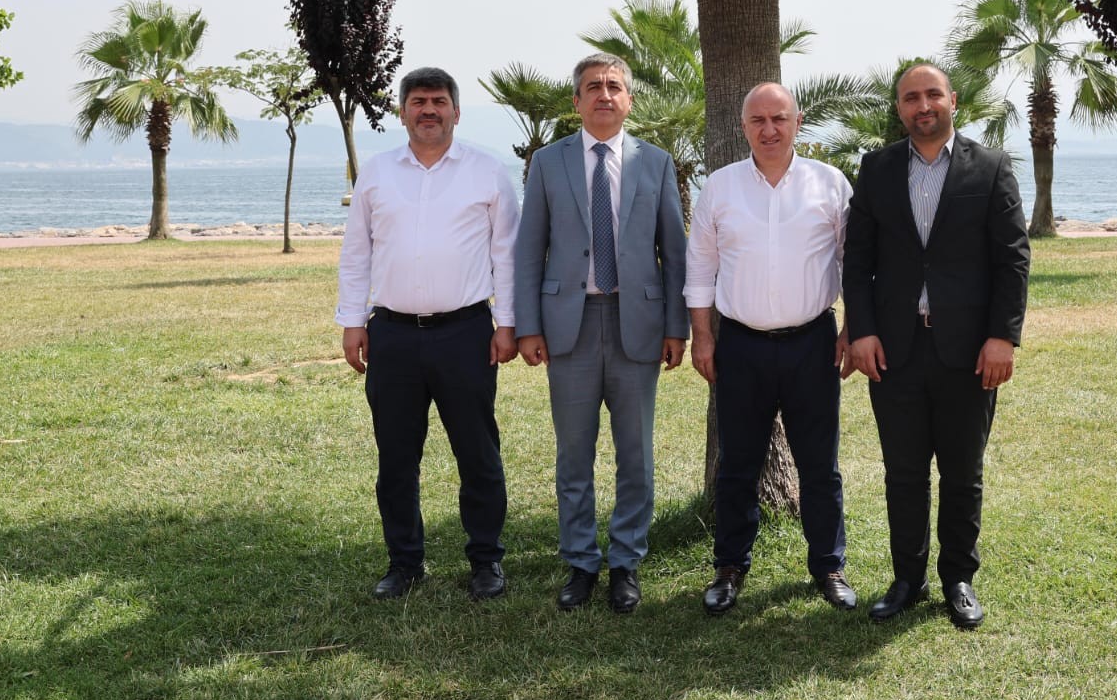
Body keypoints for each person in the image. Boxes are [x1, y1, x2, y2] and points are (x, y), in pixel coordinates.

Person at [842, 62, 1030, 629]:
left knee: (962, 471)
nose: (922, 106)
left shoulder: (991, 167)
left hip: (969, 351)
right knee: (902, 472)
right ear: (899, 108)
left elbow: (1013, 258)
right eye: (910, 98)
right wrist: (862, 330)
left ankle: (958, 578)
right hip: (894, 350)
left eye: (932, 95)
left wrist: (1003, 336)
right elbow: (858, 259)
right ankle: (907, 578)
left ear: (952, 101)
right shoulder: (876, 169)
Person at [336, 67, 520, 601]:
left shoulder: (487, 172)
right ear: (402, 113)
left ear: (456, 111)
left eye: (439, 101)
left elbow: (507, 255)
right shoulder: (376, 173)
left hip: (466, 333)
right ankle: (404, 563)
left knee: (477, 454)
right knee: (396, 458)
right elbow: (357, 252)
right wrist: (353, 322)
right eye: (418, 101)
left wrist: (507, 324)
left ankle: (486, 560)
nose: (429, 110)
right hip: (391, 336)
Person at [514, 53, 688, 613]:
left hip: (639, 323)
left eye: (614, 86)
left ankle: (626, 562)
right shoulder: (547, 163)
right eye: (593, 86)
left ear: (629, 100)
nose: (604, 94)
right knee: (574, 454)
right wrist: (527, 326)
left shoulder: (656, 162)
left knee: (636, 454)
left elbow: (674, 252)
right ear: (577, 101)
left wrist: (677, 326)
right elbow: (529, 249)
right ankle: (581, 562)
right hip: (570, 326)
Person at [686, 82, 857, 616]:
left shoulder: (830, 183)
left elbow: (854, 262)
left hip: (814, 343)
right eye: (757, 120)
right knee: (738, 464)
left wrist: (852, 329)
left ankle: (829, 566)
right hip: (741, 345)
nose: (769, 129)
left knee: (819, 464)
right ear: (743, 127)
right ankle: (729, 567)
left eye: (779, 118)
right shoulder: (720, 187)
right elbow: (700, 268)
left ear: (797, 122)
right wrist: (702, 336)